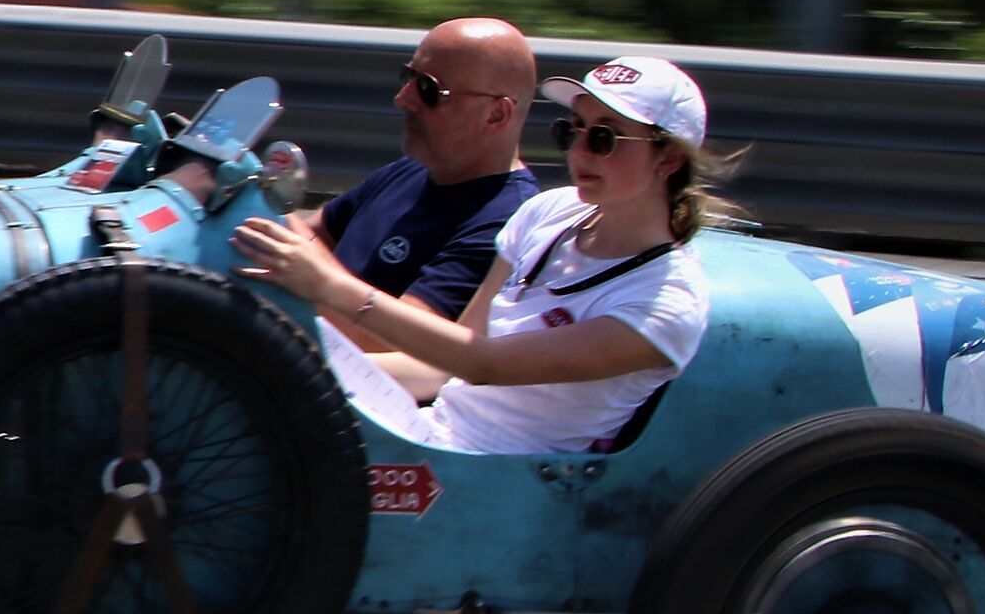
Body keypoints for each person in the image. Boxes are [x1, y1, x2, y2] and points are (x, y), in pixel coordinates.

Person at [235, 55, 722, 456]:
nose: (581, 151)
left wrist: (330, 287)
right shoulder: (548, 211)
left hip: (499, 481)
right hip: (432, 435)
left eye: (605, 137)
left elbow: (482, 364)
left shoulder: (666, 304)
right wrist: (305, 371)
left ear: (669, 159)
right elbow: (441, 365)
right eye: (573, 129)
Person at [301, 17, 540, 348]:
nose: (403, 99)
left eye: (428, 89)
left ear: (495, 114)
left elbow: (400, 344)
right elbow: (314, 234)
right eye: (407, 78)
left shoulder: (506, 221)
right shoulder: (411, 170)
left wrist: (308, 273)